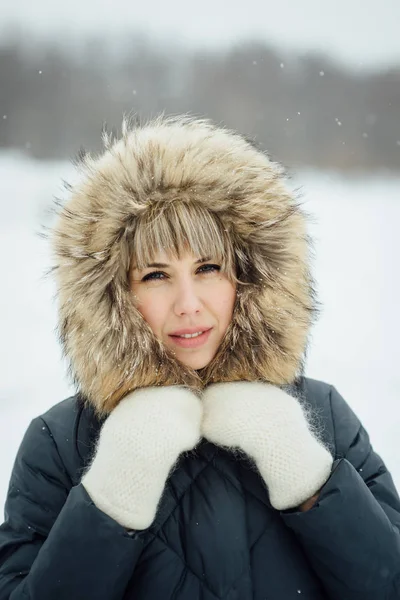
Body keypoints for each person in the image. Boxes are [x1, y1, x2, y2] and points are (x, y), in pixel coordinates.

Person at [0, 115, 399, 600]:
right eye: (155, 275)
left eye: (208, 268)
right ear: (114, 295)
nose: (188, 303)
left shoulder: (325, 418)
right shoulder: (58, 443)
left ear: (250, 277)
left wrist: (309, 479)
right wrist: (113, 492)